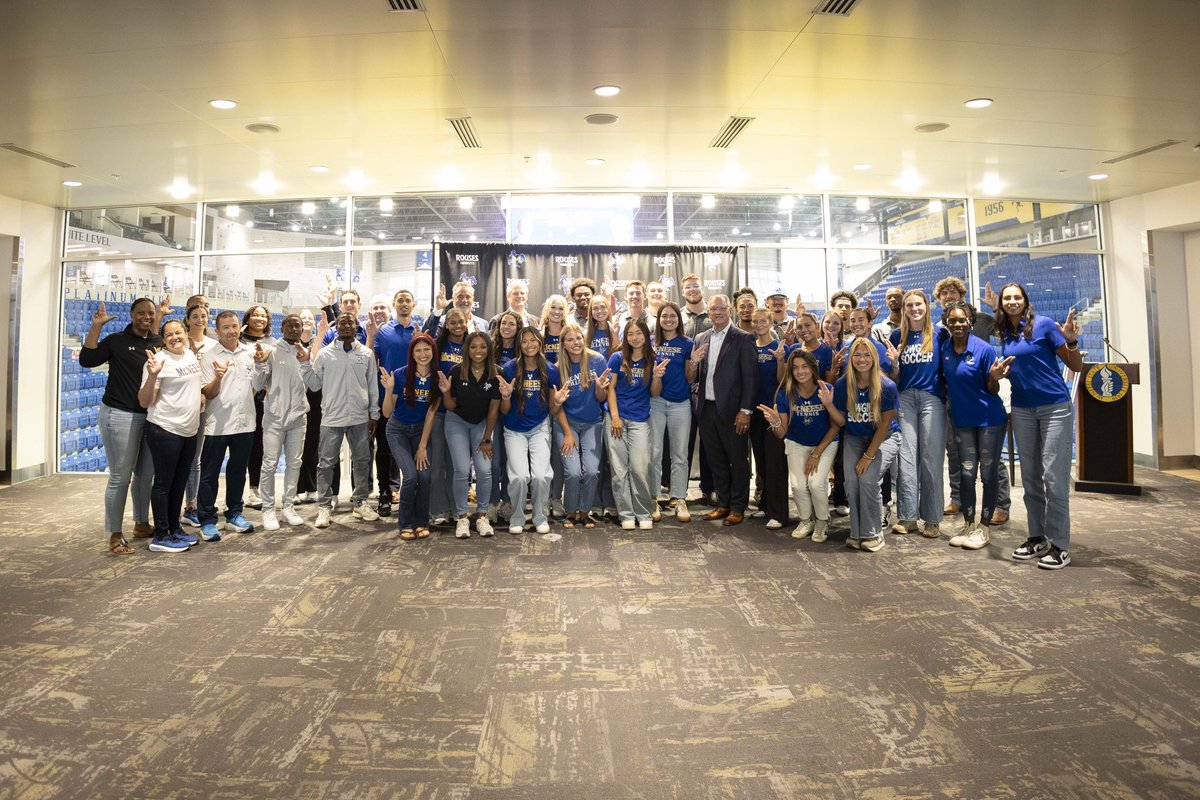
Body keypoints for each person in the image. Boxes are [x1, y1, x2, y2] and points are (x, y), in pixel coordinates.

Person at [993, 283, 1083, 570]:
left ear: (1025, 300)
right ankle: (1037, 537)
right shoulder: (1005, 332)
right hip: (1022, 409)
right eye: (1007, 298)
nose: (1012, 301)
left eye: (1016, 297)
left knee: (1054, 478)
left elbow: (1076, 366)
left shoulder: (1044, 325)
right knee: (1030, 478)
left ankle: (1060, 546)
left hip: (1054, 407)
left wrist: (1070, 342)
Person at [80, 298, 160, 553]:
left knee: (145, 475)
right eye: (140, 313)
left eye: (150, 313)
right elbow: (88, 359)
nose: (145, 317)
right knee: (120, 477)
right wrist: (96, 328)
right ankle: (115, 534)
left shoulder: (158, 343)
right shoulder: (116, 340)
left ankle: (141, 523)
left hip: (151, 417)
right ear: (131, 314)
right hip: (120, 415)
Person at [934, 276, 1010, 524]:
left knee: (990, 460)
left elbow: (1008, 331)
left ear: (962, 295)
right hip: (955, 400)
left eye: (953, 291)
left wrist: (997, 308)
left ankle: (1001, 504)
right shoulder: (939, 330)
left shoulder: (983, 321)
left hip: (983, 398)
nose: (949, 296)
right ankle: (957, 498)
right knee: (955, 453)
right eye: (944, 293)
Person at [300, 311, 381, 529]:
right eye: (342, 323)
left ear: (357, 328)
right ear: (337, 329)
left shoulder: (365, 354)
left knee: (362, 461)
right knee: (326, 463)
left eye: (350, 323)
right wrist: (306, 364)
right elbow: (315, 385)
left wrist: (374, 414)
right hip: (332, 417)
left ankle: (361, 502)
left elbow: (372, 386)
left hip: (359, 417)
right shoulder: (325, 354)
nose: (346, 326)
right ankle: (324, 506)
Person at [758, 348, 840, 542]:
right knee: (797, 486)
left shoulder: (826, 389)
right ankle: (806, 520)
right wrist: (776, 422)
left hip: (825, 443)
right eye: (795, 368)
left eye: (804, 367)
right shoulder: (786, 393)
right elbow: (782, 433)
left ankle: (822, 521)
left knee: (816, 484)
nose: (800, 371)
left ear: (812, 368)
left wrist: (817, 453)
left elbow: (837, 425)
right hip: (797, 442)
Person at [137, 319, 204, 553]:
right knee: (164, 484)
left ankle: (175, 528)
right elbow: (145, 401)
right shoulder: (159, 361)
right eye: (169, 335)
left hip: (188, 430)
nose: (175, 337)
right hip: (165, 429)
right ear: (163, 339)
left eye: (178, 332)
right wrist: (153, 375)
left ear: (186, 333)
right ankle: (161, 535)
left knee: (179, 483)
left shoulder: (189, 355)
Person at [692, 295, 757, 525]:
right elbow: (693, 376)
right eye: (713, 309)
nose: (717, 312)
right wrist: (693, 361)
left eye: (721, 308)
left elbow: (750, 379)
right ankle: (723, 503)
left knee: (738, 460)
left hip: (733, 411)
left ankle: (738, 507)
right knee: (716, 460)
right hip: (706, 409)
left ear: (730, 310)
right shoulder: (700, 338)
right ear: (708, 313)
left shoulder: (743, 338)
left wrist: (745, 411)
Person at [832, 338, 902, 552]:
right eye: (857, 355)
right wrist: (827, 404)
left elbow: (885, 424)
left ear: (875, 358)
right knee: (852, 482)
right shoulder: (843, 384)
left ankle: (873, 533)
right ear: (851, 358)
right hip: (855, 437)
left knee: (868, 480)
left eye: (867, 355)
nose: (862, 359)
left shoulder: (887, 385)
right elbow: (842, 420)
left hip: (885, 437)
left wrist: (869, 455)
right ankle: (857, 532)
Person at [498, 327, 570, 535]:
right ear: (519, 345)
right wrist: (505, 397)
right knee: (519, 476)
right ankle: (517, 516)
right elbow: (504, 411)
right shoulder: (509, 369)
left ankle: (540, 516)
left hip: (539, 428)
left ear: (540, 343)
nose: (529, 345)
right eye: (524, 341)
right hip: (514, 429)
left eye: (533, 340)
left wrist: (557, 402)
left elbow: (552, 409)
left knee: (540, 475)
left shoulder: (550, 370)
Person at [889, 289, 947, 539]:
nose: (914, 309)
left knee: (931, 459)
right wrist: (893, 363)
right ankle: (908, 517)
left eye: (918, 304)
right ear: (903, 309)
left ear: (926, 306)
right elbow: (894, 378)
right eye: (909, 305)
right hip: (905, 399)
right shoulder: (896, 335)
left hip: (931, 399)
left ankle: (932, 519)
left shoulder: (939, 334)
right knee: (907, 460)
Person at [196, 310, 258, 541]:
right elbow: (208, 393)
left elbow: (255, 386)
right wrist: (219, 377)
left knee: (238, 472)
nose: (231, 331)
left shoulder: (249, 353)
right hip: (217, 425)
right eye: (226, 327)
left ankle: (234, 514)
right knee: (210, 474)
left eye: (234, 326)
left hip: (245, 424)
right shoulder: (208, 356)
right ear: (217, 330)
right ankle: (207, 520)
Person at [439, 330, 500, 539]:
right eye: (473, 346)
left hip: (482, 424)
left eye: (483, 346)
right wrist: (446, 391)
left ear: (489, 349)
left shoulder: (496, 373)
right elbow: (450, 405)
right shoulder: (456, 371)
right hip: (457, 422)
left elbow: (493, 410)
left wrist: (487, 438)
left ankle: (482, 516)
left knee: (484, 470)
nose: (478, 351)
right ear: (467, 349)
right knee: (462, 470)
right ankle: (462, 517)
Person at [252, 314, 310, 531]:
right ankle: (268, 508)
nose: (295, 329)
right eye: (291, 325)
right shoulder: (271, 351)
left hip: (298, 419)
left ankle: (288, 506)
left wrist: (307, 361)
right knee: (269, 464)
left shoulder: (304, 353)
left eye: (299, 325)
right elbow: (258, 383)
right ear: (282, 327)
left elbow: (311, 384)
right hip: (275, 419)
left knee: (295, 463)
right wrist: (259, 364)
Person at [382, 333, 440, 540]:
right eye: (418, 350)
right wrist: (388, 391)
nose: (423, 354)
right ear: (412, 353)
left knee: (424, 476)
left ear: (433, 351)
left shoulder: (438, 378)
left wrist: (422, 446)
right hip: (397, 430)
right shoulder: (399, 375)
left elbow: (432, 414)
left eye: (427, 349)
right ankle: (405, 523)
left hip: (421, 431)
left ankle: (421, 522)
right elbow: (387, 413)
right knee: (411, 476)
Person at [604, 319, 656, 530]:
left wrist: (658, 377)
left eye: (639, 333)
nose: (635, 337)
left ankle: (643, 512)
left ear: (646, 335)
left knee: (639, 467)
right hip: (616, 418)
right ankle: (626, 514)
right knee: (618, 469)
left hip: (640, 419)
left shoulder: (653, 359)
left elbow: (654, 392)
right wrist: (615, 417)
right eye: (631, 334)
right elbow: (611, 388)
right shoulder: (617, 358)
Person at [370, 289, 418, 517]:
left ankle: (414, 494)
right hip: (387, 397)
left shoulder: (418, 332)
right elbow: (371, 361)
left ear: (413, 304)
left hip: (415, 398)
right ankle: (385, 494)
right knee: (385, 450)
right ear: (394, 304)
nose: (404, 304)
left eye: (408, 300)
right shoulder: (383, 332)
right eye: (400, 301)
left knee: (415, 449)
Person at [555, 323, 609, 528]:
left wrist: (599, 388)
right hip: (566, 424)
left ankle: (585, 511)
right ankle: (570, 511)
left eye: (578, 338)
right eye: (570, 339)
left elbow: (601, 398)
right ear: (563, 344)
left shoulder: (597, 360)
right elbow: (556, 407)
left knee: (592, 471)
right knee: (573, 472)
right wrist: (568, 433)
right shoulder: (558, 367)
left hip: (592, 423)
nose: (575, 343)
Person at [649, 302, 696, 523]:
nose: (668, 319)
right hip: (656, 402)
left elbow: (689, 377)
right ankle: (653, 498)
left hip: (680, 404)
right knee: (654, 453)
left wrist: (694, 363)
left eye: (672, 316)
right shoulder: (651, 342)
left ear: (679, 319)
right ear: (658, 320)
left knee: (679, 454)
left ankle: (679, 498)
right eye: (664, 316)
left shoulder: (687, 343)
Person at [749, 308, 790, 528]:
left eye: (762, 320)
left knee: (775, 463)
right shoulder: (750, 347)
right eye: (755, 321)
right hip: (754, 411)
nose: (758, 324)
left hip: (774, 411)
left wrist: (781, 361)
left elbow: (782, 381)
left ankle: (779, 513)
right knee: (762, 463)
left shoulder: (778, 347)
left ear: (770, 322)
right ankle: (765, 507)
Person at [429, 308, 468, 524]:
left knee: (455, 465)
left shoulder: (471, 344)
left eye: (460, 321)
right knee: (437, 464)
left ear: (466, 321)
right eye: (452, 322)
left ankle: (457, 508)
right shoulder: (438, 345)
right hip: (439, 410)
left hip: (460, 412)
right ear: (446, 325)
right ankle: (438, 509)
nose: (457, 325)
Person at [181, 303, 216, 527]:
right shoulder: (178, 339)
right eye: (195, 316)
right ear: (188, 319)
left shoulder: (213, 344)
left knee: (195, 458)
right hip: (181, 406)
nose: (199, 320)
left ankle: (191, 505)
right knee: (179, 459)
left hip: (204, 406)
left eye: (203, 316)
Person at [487, 311, 523, 522]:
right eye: (503, 323)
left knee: (511, 461)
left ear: (518, 328)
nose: (506, 327)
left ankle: (507, 502)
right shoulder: (490, 348)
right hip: (492, 410)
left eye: (511, 324)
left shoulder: (524, 350)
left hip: (514, 411)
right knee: (494, 461)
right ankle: (491, 502)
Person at [240, 304, 274, 510]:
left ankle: (254, 489)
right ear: (248, 318)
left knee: (258, 447)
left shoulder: (273, 343)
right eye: (255, 315)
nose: (259, 319)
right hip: (241, 399)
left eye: (263, 316)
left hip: (262, 401)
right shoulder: (239, 341)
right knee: (240, 445)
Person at [295, 308, 329, 504]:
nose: (306, 320)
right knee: (296, 445)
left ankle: (311, 487)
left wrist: (322, 332)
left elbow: (313, 360)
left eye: (310, 317)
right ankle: (296, 488)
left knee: (312, 445)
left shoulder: (321, 342)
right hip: (296, 398)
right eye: (303, 317)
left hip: (315, 399)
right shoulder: (292, 343)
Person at [424, 280, 489, 337]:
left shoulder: (484, 324)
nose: (464, 300)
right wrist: (438, 309)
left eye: (468, 297)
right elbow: (427, 336)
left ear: (473, 299)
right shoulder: (441, 322)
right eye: (460, 296)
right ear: (453, 298)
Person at [540, 294, 568, 365]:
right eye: (553, 307)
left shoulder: (569, 334)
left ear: (565, 312)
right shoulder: (540, 335)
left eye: (561, 309)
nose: (557, 312)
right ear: (547, 310)